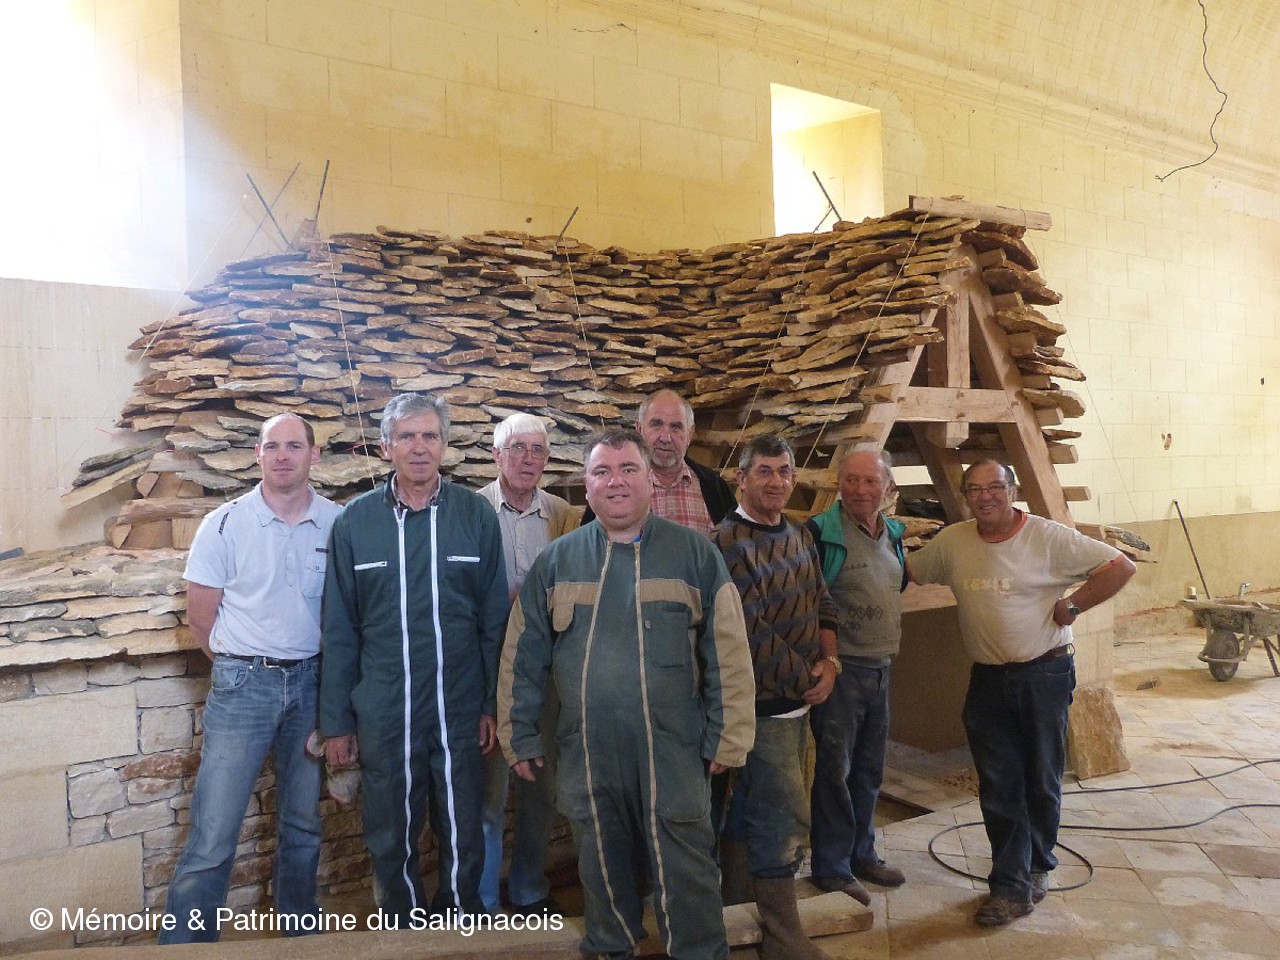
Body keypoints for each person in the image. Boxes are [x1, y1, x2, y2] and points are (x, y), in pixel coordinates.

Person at [499, 428, 755, 960]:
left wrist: (729, 735)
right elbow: (521, 656)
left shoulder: (695, 555)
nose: (615, 481)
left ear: (649, 480)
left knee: (686, 863)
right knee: (599, 858)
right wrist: (518, 733)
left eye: (627, 469)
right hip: (587, 747)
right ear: (586, 485)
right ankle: (611, 945)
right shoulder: (557, 561)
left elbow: (728, 651)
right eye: (602, 471)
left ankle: (699, 951)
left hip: (675, 746)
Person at [908, 459, 1135, 927]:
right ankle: (1010, 885)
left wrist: (1072, 606)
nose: (985, 497)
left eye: (995, 487)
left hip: (1044, 674)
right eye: (975, 489)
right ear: (966, 496)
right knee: (999, 783)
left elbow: (1120, 566)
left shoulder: (1047, 537)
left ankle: (1038, 865)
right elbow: (910, 571)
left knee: (1041, 777)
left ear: (1012, 491)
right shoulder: (953, 542)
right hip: (989, 678)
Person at [319, 392, 508, 922]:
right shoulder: (355, 523)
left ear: (444, 445)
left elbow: (494, 622)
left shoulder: (475, 516)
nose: (419, 447)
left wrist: (492, 703)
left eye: (430, 436)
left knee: (462, 823)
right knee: (389, 828)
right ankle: (401, 925)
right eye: (406, 436)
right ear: (386, 447)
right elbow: (339, 630)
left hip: (459, 704)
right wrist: (337, 721)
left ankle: (461, 921)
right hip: (384, 708)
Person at [159, 414, 342, 944]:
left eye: (294, 446)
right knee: (214, 831)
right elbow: (201, 618)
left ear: (314, 455)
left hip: (312, 687)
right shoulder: (224, 524)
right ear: (257, 455)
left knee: (303, 823)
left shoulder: (339, 523)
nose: (283, 456)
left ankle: (298, 931)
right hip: (244, 685)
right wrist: (241, 669)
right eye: (272, 446)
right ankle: (187, 946)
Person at [710, 435, 841, 960]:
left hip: (799, 697)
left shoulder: (799, 533)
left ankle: (739, 904)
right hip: (764, 706)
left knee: (752, 808)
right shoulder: (725, 542)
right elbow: (749, 633)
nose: (775, 481)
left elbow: (822, 600)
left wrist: (830, 662)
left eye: (784, 471)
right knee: (783, 818)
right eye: (763, 471)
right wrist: (808, 680)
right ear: (740, 479)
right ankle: (785, 939)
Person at [476, 413, 575, 915]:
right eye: (517, 448)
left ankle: (530, 889)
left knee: (541, 782)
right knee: (488, 791)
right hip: (490, 667)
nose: (528, 458)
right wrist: (512, 602)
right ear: (497, 455)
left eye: (537, 450)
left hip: (545, 669)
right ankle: (482, 901)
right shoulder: (472, 510)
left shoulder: (564, 515)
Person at [805, 450, 908, 905]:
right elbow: (811, 602)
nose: (860, 490)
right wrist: (829, 660)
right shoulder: (820, 534)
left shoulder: (893, 534)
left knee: (868, 771)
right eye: (851, 480)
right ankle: (831, 867)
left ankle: (862, 854)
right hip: (843, 671)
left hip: (881, 666)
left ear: (887, 487)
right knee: (835, 772)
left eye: (870, 481)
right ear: (838, 483)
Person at [580, 389, 735, 533]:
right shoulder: (615, 488)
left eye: (676, 427)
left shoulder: (714, 487)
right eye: (656, 425)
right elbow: (591, 543)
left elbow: (731, 545)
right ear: (639, 429)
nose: (665, 438)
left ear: (690, 434)